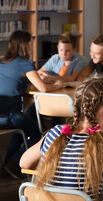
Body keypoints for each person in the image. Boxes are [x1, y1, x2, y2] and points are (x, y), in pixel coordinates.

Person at [0, 30, 62, 178]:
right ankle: (16, 161)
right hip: (12, 117)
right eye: (31, 44)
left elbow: (11, 81)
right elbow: (43, 88)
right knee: (40, 133)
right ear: (26, 45)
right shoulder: (25, 64)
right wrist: (58, 84)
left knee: (22, 129)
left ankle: (7, 162)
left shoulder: (2, 61)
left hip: (3, 117)